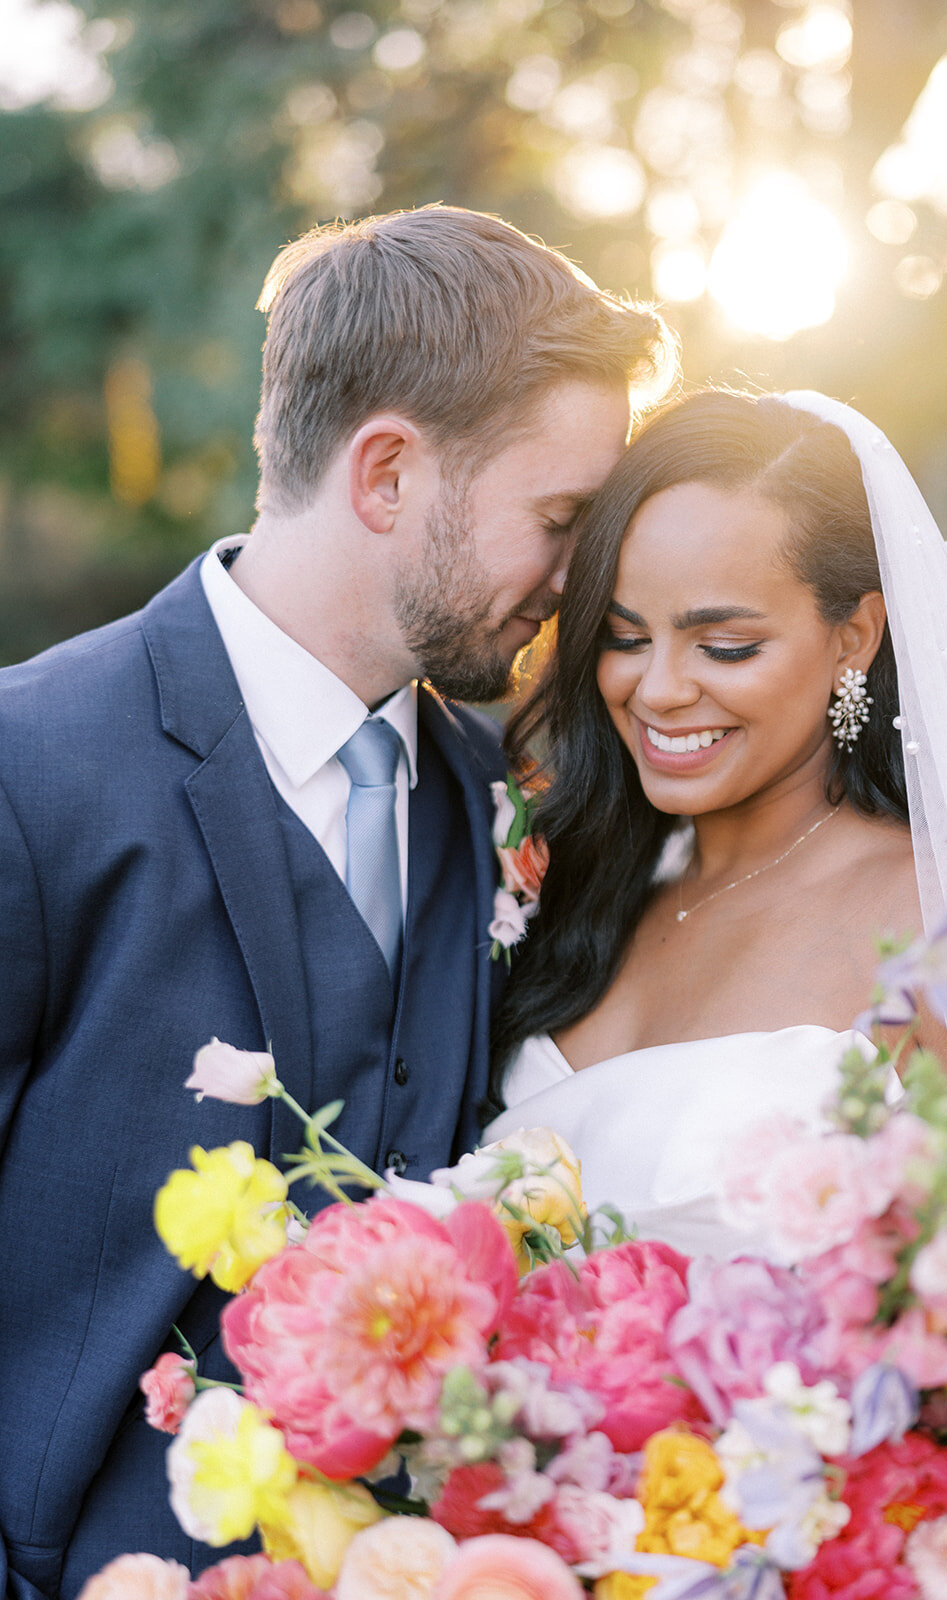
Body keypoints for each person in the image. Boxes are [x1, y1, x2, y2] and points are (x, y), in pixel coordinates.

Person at [0, 205, 670, 1599]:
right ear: (386, 474)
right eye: (557, 522)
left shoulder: (499, 794)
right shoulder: (30, 769)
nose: (574, 586)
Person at [487, 388, 947, 1600]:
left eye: (723, 645)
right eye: (622, 633)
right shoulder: (573, 890)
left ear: (856, 634)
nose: (659, 690)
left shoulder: (937, 929)